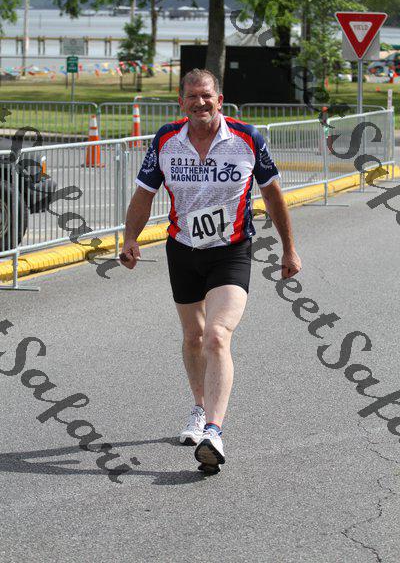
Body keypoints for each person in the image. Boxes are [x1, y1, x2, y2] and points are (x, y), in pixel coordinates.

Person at [120, 68, 302, 474]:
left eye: (207, 96)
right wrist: (130, 238)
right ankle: (199, 408)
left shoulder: (247, 138)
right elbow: (144, 194)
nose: (199, 103)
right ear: (181, 102)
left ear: (220, 100)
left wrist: (289, 248)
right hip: (182, 250)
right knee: (194, 337)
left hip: (230, 251)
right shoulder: (166, 140)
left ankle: (214, 433)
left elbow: (273, 194)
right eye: (192, 96)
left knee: (217, 336)